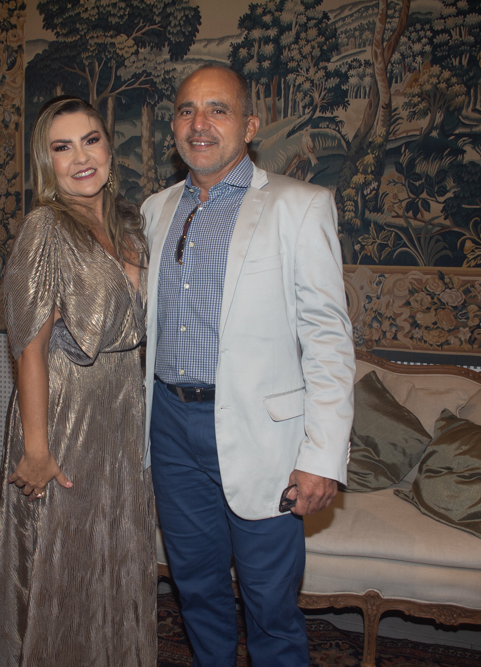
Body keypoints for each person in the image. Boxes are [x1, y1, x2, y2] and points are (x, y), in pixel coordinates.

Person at [141, 65, 355, 665]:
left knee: (270, 604)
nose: (199, 124)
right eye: (186, 110)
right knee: (195, 590)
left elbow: (328, 339)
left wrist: (321, 457)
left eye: (218, 109)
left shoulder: (301, 206)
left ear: (250, 125)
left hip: (264, 438)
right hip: (169, 428)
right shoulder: (155, 211)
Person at [0, 97, 157, 667]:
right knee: (63, 559)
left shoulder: (131, 226)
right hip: (64, 413)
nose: (81, 158)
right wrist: (36, 449)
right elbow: (27, 347)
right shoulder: (46, 228)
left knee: (115, 550)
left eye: (91, 140)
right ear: (46, 161)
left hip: (122, 410)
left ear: (109, 148)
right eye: (63, 147)